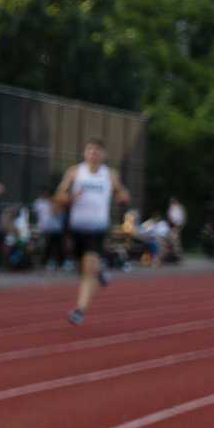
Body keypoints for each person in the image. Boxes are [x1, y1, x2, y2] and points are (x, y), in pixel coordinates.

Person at [55, 137, 130, 326]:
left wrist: (121, 197)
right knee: (82, 269)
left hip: (97, 229)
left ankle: (79, 311)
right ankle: (101, 269)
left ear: (104, 154)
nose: (93, 153)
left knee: (88, 271)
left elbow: (123, 194)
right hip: (76, 228)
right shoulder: (75, 172)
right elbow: (58, 197)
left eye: (97, 150)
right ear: (85, 153)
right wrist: (71, 196)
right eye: (90, 149)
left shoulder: (110, 174)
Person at [166, 195, 186, 259]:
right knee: (174, 240)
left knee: (176, 240)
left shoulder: (179, 208)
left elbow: (181, 217)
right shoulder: (171, 208)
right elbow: (169, 218)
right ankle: (174, 254)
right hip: (173, 226)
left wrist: (180, 226)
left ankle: (177, 254)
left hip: (176, 226)